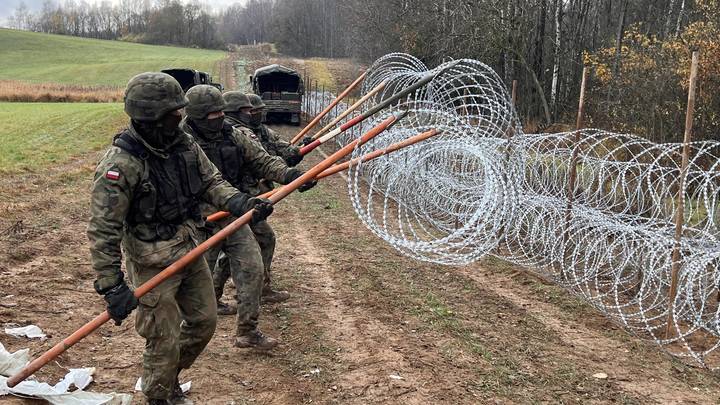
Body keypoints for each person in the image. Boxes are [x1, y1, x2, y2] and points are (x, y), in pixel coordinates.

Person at [87, 73, 271, 405]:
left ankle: (166, 378)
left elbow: (211, 181)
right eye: (174, 112)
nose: (181, 117)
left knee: (204, 322)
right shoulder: (120, 164)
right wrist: (111, 284)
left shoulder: (184, 144)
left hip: (190, 248)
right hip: (152, 261)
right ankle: (158, 396)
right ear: (151, 117)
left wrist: (239, 203)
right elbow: (103, 228)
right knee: (163, 337)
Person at [181, 85, 316, 349]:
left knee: (252, 268)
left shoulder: (231, 133)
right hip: (199, 221)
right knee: (199, 279)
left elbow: (262, 160)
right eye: (213, 114)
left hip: (234, 211)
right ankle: (186, 330)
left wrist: (291, 176)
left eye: (222, 112)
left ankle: (247, 330)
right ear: (196, 116)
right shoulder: (181, 141)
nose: (220, 118)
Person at [222, 91, 310, 303]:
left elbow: (274, 154)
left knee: (237, 244)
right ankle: (257, 288)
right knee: (255, 241)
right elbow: (262, 161)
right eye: (250, 110)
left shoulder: (256, 130)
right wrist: (287, 171)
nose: (255, 114)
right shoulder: (238, 132)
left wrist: (296, 155)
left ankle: (250, 286)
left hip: (247, 195)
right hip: (239, 197)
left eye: (257, 111)